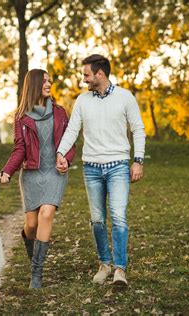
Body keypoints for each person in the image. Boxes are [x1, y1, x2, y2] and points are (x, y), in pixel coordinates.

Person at [56, 54, 145, 286]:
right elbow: (72, 130)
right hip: (92, 168)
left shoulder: (125, 97)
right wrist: (60, 153)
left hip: (118, 166)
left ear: (100, 74)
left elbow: (138, 129)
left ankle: (120, 269)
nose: (84, 79)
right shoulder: (82, 101)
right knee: (97, 220)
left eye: (86, 74)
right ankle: (104, 264)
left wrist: (138, 160)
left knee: (118, 217)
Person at [0, 69, 75, 289]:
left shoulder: (60, 113)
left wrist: (66, 160)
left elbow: (70, 143)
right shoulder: (21, 117)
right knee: (31, 224)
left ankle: (36, 275)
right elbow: (19, 148)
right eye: (44, 81)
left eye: (49, 80)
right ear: (33, 85)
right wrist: (7, 171)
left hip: (55, 172)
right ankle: (32, 254)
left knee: (46, 213)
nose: (49, 84)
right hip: (31, 173)